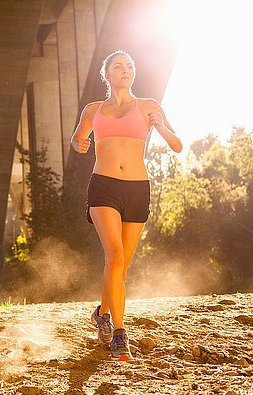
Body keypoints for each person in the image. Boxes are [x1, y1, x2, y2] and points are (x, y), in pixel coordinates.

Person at [70, 50, 182, 361]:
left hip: (137, 189)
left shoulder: (149, 107)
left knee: (121, 266)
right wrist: (78, 143)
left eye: (129, 66)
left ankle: (102, 313)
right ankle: (120, 333)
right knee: (115, 255)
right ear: (105, 74)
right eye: (118, 66)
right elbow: (78, 142)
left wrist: (160, 127)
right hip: (104, 187)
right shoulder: (93, 110)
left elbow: (177, 145)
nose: (125, 70)